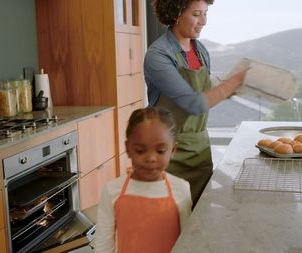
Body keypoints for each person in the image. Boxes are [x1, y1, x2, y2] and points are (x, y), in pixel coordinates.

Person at [144, 0, 248, 206]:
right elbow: (194, 103)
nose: (204, 21)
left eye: (205, 14)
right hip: (167, 155)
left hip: (199, 151)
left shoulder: (200, 51)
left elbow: (206, 93)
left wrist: (243, 85)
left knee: (200, 221)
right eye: (197, 14)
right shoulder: (158, 55)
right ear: (176, 13)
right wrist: (233, 82)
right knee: (170, 226)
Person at [94, 107, 192, 253]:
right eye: (140, 150)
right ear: (128, 148)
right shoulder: (112, 190)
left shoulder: (181, 189)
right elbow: (103, 246)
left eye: (160, 151)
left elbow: (187, 243)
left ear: (172, 150)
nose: (150, 158)